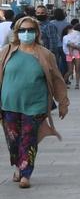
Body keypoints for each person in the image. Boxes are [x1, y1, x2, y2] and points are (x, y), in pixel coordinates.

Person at [0, 16, 70, 188]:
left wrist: (63, 102)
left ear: (37, 32)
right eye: (22, 30)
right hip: (9, 104)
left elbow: (57, 80)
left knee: (28, 139)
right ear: (16, 32)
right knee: (13, 140)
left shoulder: (45, 54)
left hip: (35, 105)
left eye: (30, 30)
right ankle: (18, 166)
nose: (26, 33)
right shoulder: (7, 51)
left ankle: (25, 173)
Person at [41, 8, 69, 76]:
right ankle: (64, 77)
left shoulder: (51, 23)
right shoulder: (67, 24)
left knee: (55, 63)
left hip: (55, 45)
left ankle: (57, 75)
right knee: (66, 62)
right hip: (65, 45)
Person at [63, 23, 80, 89]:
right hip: (69, 55)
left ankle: (77, 84)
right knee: (70, 70)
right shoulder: (65, 37)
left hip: (77, 54)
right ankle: (63, 83)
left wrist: (76, 47)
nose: (72, 31)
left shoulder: (78, 36)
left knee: (78, 69)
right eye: (70, 29)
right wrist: (77, 47)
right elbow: (69, 44)